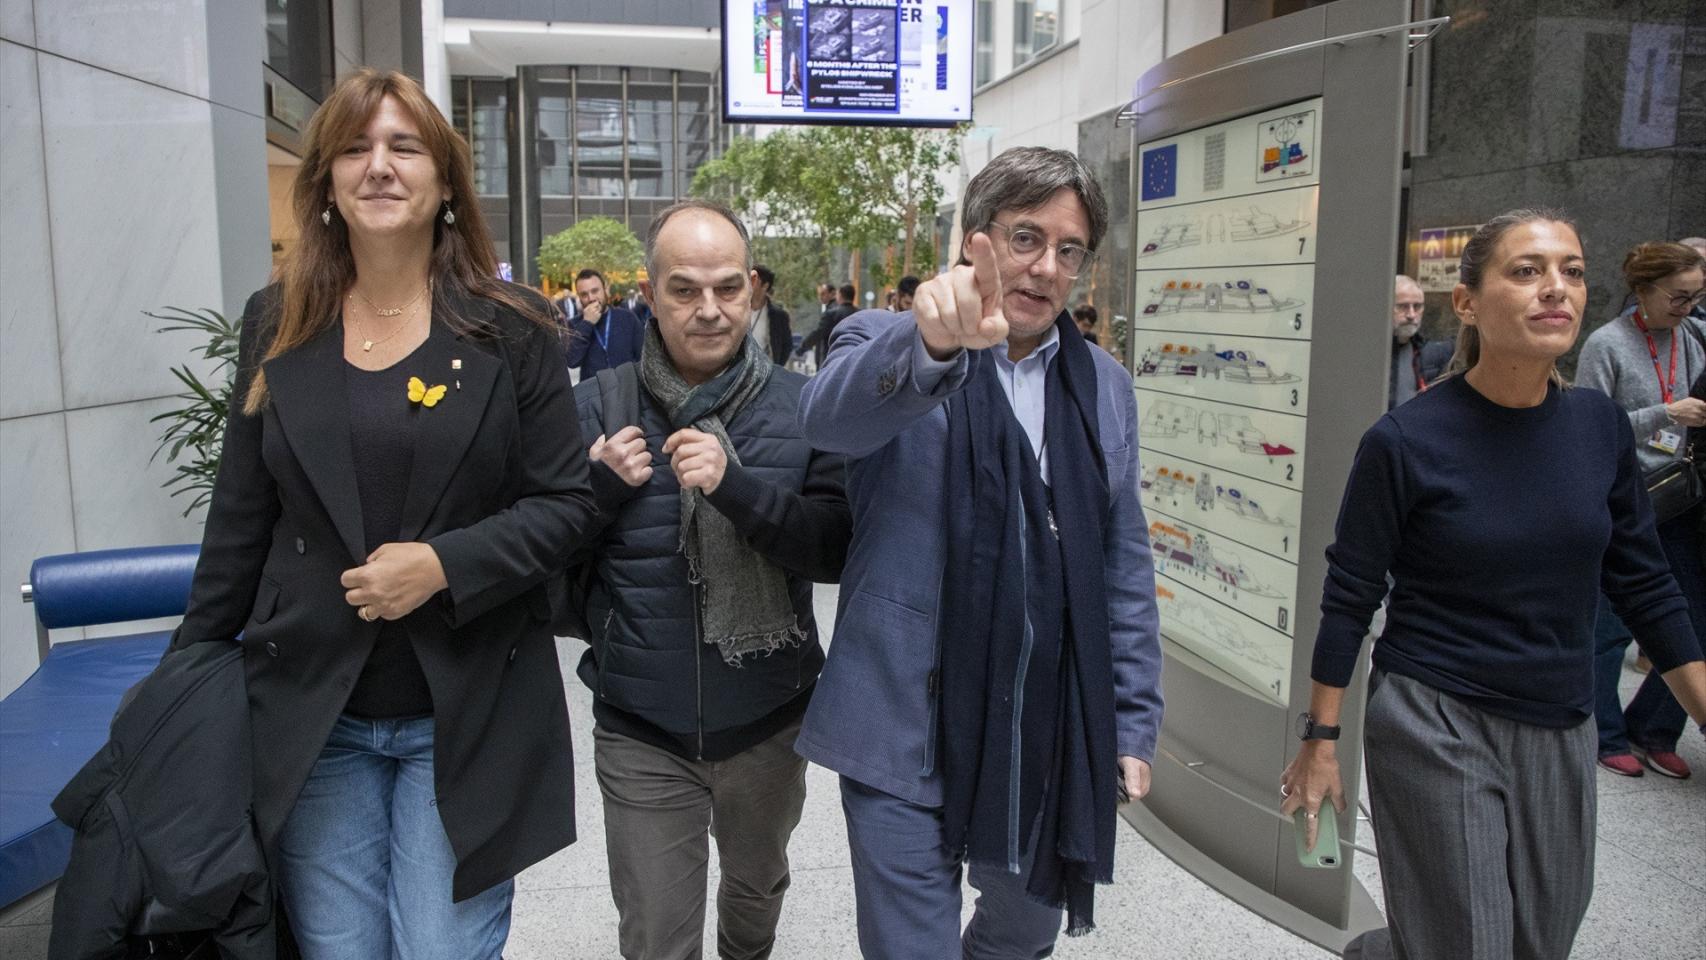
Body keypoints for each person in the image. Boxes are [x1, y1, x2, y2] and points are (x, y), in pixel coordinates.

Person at [168, 69, 598, 956]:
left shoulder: (508, 327)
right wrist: (183, 687)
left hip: (468, 705)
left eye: (405, 147)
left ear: (443, 182)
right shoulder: (276, 321)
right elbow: (239, 523)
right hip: (316, 715)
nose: (379, 166)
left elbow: (567, 505)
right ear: (326, 183)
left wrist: (443, 564)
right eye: (356, 149)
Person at [1282, 210, 1706, 960]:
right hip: (1434, 715)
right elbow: (1351, 592)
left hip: (1561, 719)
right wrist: (1321, 740)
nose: (1557, 289)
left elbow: (1646, 583)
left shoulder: (1599, 427)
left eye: (1572, 271)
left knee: (1542, 940)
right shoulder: (1406, 441)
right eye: (1527, 270)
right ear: (1469, 303)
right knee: (1467, 941)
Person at [796, 146, 1164, 958]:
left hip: (1042, 720)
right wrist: (931, 349)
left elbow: (1121, 567)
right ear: (975, 239)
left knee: (1025, 933)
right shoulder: (889, 338)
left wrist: (1133, 724)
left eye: (1069, 251)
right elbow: (828, 422)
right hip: (903, 721)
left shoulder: (1102, 385)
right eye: (1026, 238)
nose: (1045, 268)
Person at [573, 199, 852, 960]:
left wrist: (738, 489)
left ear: (753, 291)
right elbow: (544, 562)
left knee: (756, 892)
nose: (708, 309)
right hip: (641, 728)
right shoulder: (597, 409)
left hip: (770, 719)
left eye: (728, 287)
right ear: (649, 293)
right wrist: (596, 495)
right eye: (684, 289)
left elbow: (833, 552)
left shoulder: (808, 411)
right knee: (656, 934)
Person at [1575, 241, 1706, 779]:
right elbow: (1588, 428)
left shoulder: (1694, 336)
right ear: (1643, 290)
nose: (1688, 308)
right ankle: (1605, 733)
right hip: (1626, 498)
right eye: (1679, 297)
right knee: (1610, 627)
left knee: (1691, 622)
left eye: (1696, 297)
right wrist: (1666, 413)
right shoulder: (1607, 344)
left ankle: (1654, 728)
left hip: (1683, 500)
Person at [564, 268, 643, 377]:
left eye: (595, 291)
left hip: (627, 389)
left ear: (605, 289)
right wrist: (587, 323)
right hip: (594, 391)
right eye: (584, 294)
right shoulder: (575, 323)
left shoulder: (628, 318)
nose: (591, 298)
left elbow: (642, 357)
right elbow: (572, 361)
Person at [1389, 274, 1452, 408]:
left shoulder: (1428, 350)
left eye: (1417, 306)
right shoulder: (1372, 351)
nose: (1411, 315)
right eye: (1402, 306)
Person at [797, 282, 857, 367]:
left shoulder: (832, 313)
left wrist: (802, 348)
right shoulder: (860, 313)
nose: (820, 297)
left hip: (832, 358)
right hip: (854, 357)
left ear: (835, 294)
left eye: (823, 294)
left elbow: (819, 333)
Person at [749, 262, 795, 364]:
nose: (749, 283)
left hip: (766, 371)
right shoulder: (738, 310)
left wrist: (776, 367)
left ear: (765, 286)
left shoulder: (779, 316)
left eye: (754, 280)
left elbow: (787, 345)